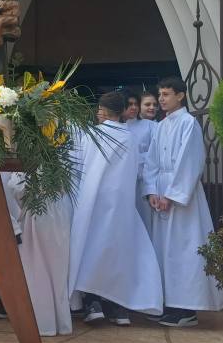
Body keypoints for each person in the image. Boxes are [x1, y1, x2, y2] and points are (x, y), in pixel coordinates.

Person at [69, 92, 163, 325]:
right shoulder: (129, 137)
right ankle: (118, 307)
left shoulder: (92, 134)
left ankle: (93, 302)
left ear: (102, 110)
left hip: (93, 201)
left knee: (91, 249)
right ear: (122, 111)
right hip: (121, 202)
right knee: (120, 250)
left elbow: (79, 164)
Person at [142, 77, 223, 327]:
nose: (162, 99)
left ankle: (188, 308)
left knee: (184, 250)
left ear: (181, 96)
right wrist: (153, 191)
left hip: (182, 198)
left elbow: (191, 162)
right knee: (164, 250)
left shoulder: (189, 124)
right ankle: (170, 303)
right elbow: (151, 162)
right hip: (162, 193)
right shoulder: (160, 126)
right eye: (160, 94)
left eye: (166, 94)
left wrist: (172, 195)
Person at [5, 174, 73, 336]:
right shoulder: (59, 164)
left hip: (35, 215)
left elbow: (17, 189)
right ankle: (60, 322)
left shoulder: (26, 168)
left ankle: (41, 323)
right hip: (58, 214)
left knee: (35, 271)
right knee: (56, 272)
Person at [120, 88, 158, 235]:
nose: (134, 107)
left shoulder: (151, 126)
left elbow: (156, 155)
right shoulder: (117, 128)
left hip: (143, 181)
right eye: (129, 104)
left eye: (136, 104)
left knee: (145, 222)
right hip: (123, 182)